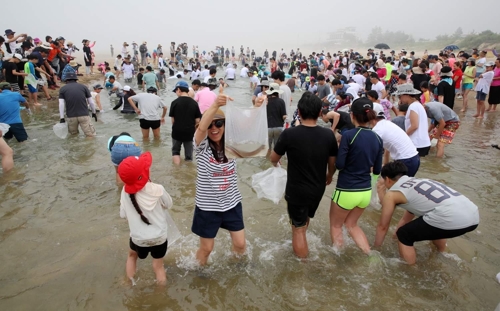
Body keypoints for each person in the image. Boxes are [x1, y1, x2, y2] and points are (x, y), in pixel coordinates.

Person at [270, 92, 337, 258]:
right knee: (305, 218)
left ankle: (302, 268)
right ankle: (303, 246)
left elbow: (273, 158)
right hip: (318, 188)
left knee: (297, 230)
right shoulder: (328, 134)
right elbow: (332, 163)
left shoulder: (289, 134)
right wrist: (329, 176)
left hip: (297, 189)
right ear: (319, 113)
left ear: (299, 112)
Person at [374, 161, 479, 265]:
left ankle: (411, 270)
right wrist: (394, 237)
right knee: (431, 222)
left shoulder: (392, 193)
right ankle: (442, 252)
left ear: (387, 179)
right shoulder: (419, 182)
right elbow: (407, 218)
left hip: (450, 217)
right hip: (473, 216)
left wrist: (376, 250)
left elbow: (383, 226)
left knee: (404, 234)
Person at [192, 87, 246, 266]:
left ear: (225, 125)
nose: (214, 129)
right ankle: (198, 270)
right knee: (207, 249)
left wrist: (258, 107)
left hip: (231, 203)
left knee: (240, 244)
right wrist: (214, 104)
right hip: (208, 206)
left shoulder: (231, 143)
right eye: (210, 125)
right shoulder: (201, 146)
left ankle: (235, 269)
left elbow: (250, 128)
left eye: (219, 124)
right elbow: (201, 128)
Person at [330, 98, 383, 254]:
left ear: (352, 115)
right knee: (352, 225)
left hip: (346, 189)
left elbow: (339, 165)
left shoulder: (349, 135)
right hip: (365, 192)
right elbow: (377, 169)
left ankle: (338, 260)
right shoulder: (377, 138)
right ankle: (370, 255)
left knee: (336, 225)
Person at [118, 152, 173, 285]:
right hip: (159, 238)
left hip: (138, 239)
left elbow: (123, 215)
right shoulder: (158, 189)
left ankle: (129, 283)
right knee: (158, 266)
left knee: (132, 256)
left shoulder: (125, 192)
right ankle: (161, 294)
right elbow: (169, 204)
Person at [169, 81, 202, 165]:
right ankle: (188, 172)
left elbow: (173, 120)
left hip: (177, 131)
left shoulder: (174, 103)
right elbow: (198, 121)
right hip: (190, 132)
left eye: (175, 91)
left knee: (175, 151)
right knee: (189, 154)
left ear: (179, 89)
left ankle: (177, 169)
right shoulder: (194, 103)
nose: (176, 93)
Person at [395, 84, 431, 157]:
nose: (400, 100)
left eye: (400, 97)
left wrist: (403, 136)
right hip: (423, 142)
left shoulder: (413, 107)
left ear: (407, 95)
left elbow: (414, 126)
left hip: (417, 143)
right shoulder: (418, 105)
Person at [58, 72, 97, 137]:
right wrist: (94, 112)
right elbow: (91, 102)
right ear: (76, 79)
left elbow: (61, 104)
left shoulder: (62, 89)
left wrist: (62, 118)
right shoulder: (84, 87)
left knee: (73, 136)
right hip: (84, 115)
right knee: (90, 135)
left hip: (71, 116)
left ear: (66, 80)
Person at [255, 83, 287, 150]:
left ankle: (267, 159)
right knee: (277, 148)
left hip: (268, 128)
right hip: (279, 127)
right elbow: (284, 116)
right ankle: (277, 161)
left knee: (267, 148)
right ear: (278, 92)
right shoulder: (281, 101)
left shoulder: (265, 101)